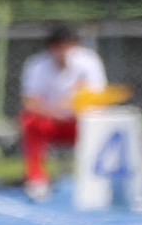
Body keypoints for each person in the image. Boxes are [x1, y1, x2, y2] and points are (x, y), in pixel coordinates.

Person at [18, 23, 107, 200]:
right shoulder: (37, 66)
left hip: (81, 123)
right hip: (51, 123)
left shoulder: (89, 62)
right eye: (58, 45)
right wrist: (55, 112)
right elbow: (30, 103)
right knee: (29, 122)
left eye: (67, 45)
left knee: (98, 122)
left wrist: (77, 108)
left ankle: (98, 178)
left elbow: (97, 100)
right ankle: (37, 180)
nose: (63, 50)